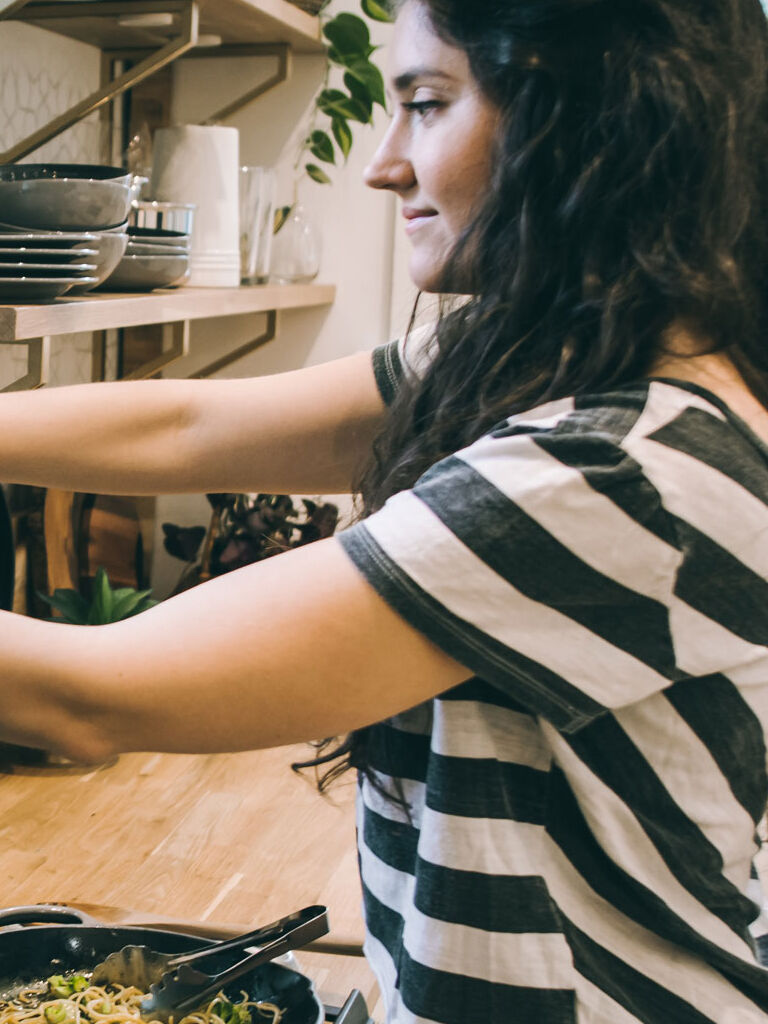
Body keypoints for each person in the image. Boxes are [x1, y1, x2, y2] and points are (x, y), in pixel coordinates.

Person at [2, 0, 768, 1020]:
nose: (383, 163)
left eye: (427, 103)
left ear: (587, 115)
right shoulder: (547, 360)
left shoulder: (620, 468)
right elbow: (187, 424)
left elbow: (90, 696)